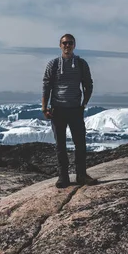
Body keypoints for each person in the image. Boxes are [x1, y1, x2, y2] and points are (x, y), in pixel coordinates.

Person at [42, 34, 98, 188]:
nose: (67, 46)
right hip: (57, 110)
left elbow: (88, 84)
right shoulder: (53, 64)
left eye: (70, 43)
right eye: (64, 43)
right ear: (60, 45)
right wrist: (44, 107)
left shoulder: (81, 64)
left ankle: (81, 175)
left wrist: (84, 104)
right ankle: (63, 177)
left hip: (75, 110)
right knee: (60, 145)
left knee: (80, 143)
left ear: (74, 45)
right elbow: (46, 86)